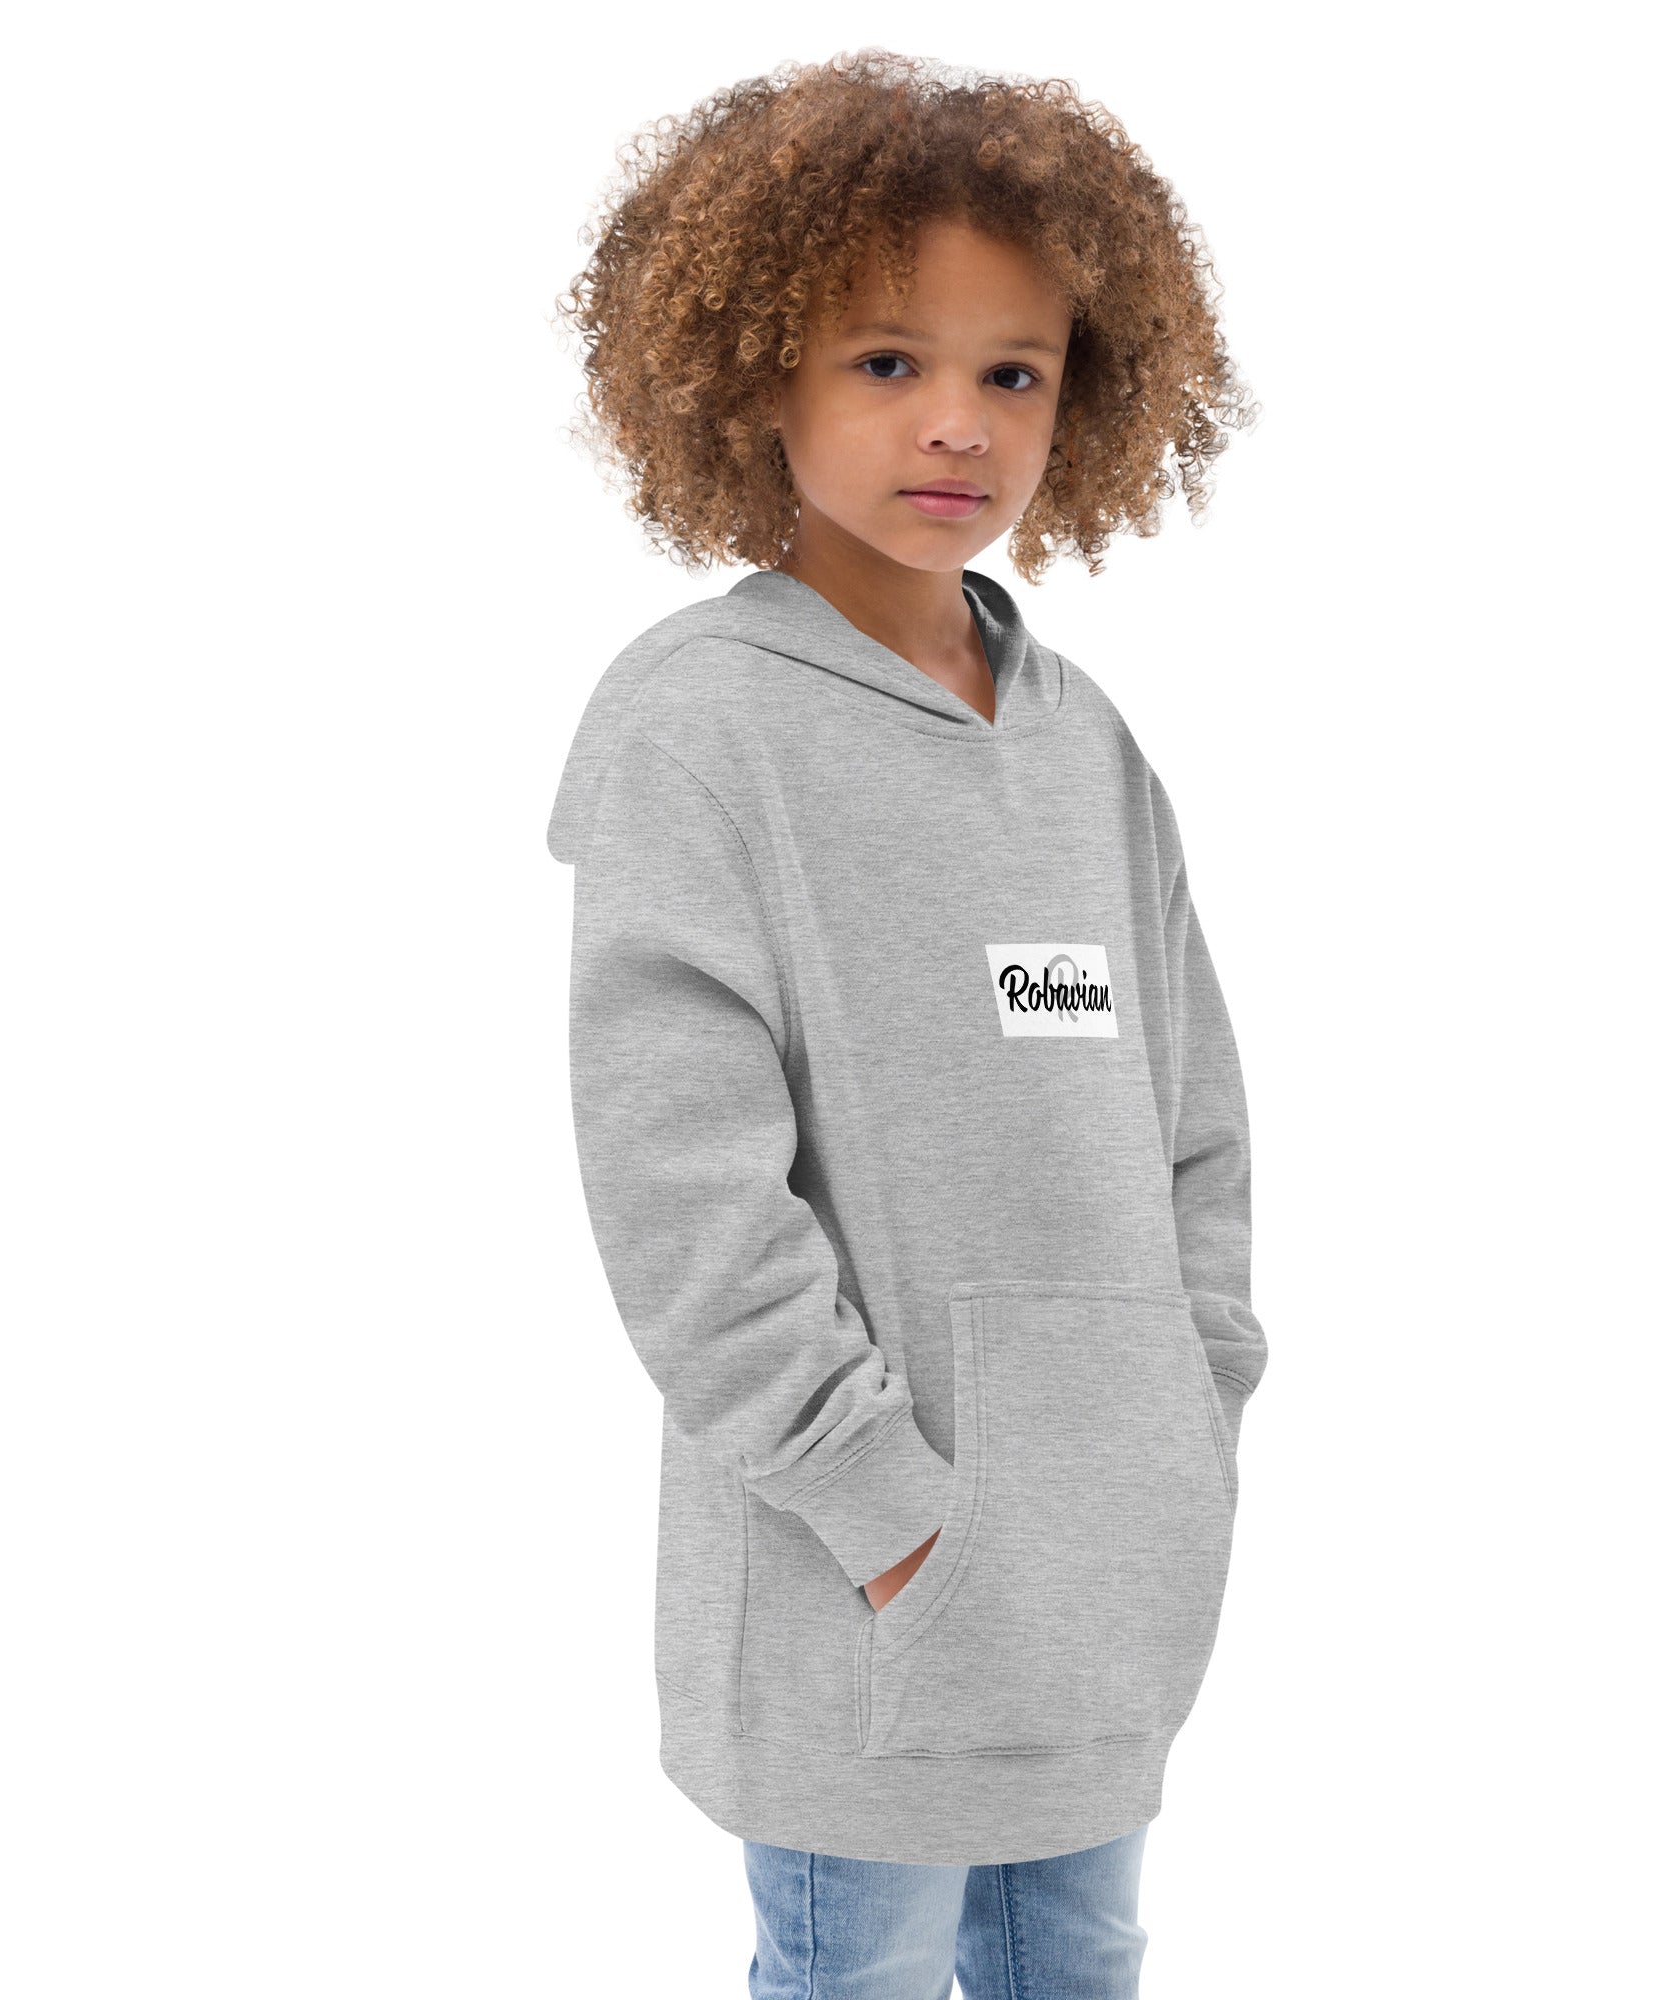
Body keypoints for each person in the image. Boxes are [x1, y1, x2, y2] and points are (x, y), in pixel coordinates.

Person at [547, 49, 1269, 1999]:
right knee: (855, 1970)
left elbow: (1196, 1129)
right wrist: (889, 1520)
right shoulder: (703, 733)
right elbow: (685, 1196)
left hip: (1105, 1589)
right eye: (885, 360)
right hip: (863, 1594)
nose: (956, 422)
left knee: (1081, 1963)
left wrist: (1188, 1422)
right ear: (751, 374)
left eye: (1013, 372)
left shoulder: (1089, 747)